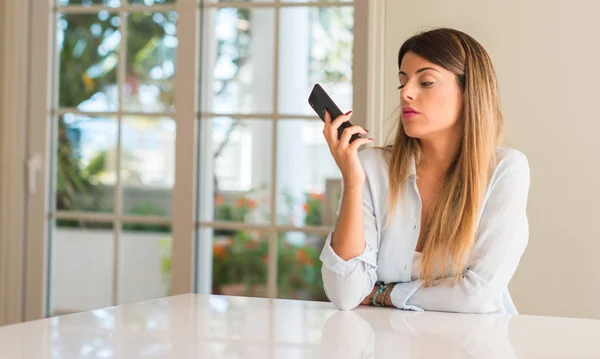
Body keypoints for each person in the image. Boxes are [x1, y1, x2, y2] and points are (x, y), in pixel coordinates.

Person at [319, 27, 530, 314]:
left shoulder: (506, 170)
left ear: (469, 90)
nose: (406, 93)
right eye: (402, 82)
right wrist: (353, 181)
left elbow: (477, 295)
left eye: (426, 82)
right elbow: (346, 294)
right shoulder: (372, 168)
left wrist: (384, 294)